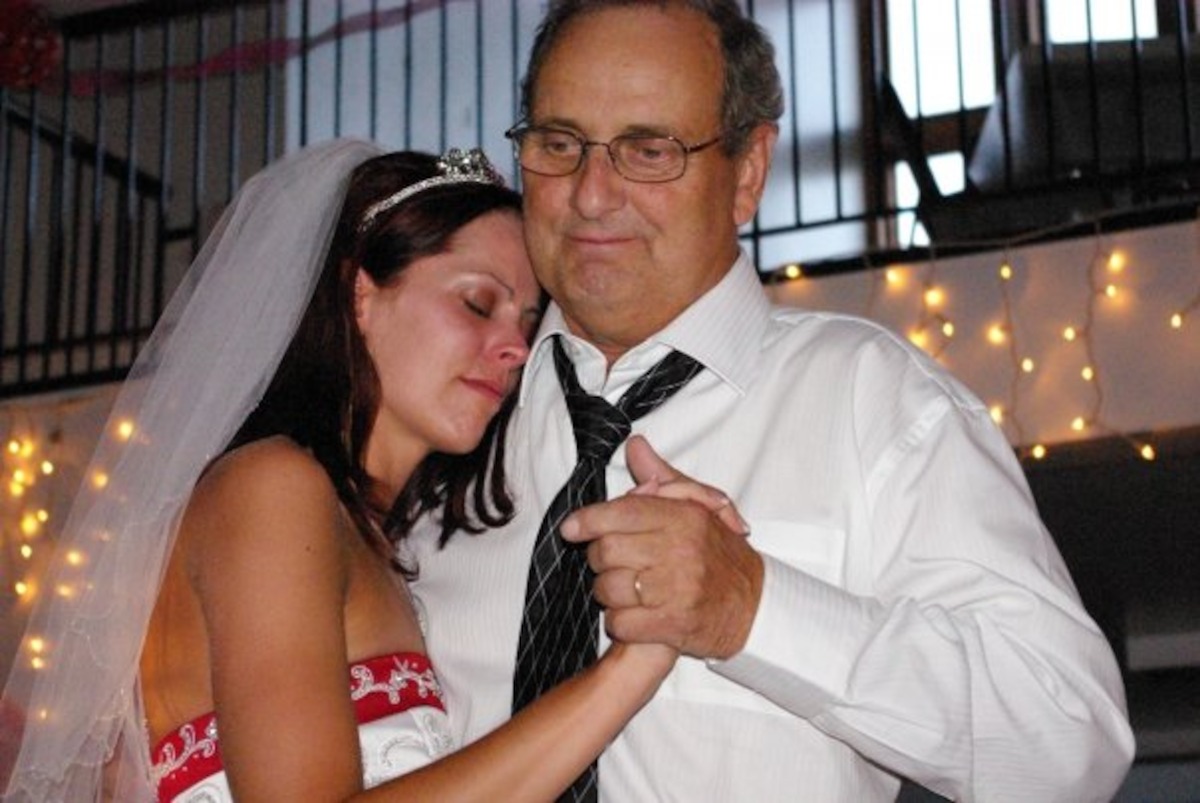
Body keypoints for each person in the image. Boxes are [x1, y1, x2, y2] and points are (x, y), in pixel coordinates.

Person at [407, 1, 1137, 801]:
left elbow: (1073, 749)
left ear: (748, 171)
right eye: (558, 144)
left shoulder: (874, 400)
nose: (590, 194)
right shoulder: (439, 412)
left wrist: (754, 607)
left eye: (649, 150)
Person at [0, 139, 723, 802]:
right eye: (478, 303)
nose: (512, 346)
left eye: (528, 323)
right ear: (360, 294)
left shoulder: (375, 536)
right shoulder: (273, 487)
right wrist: (632, 664)